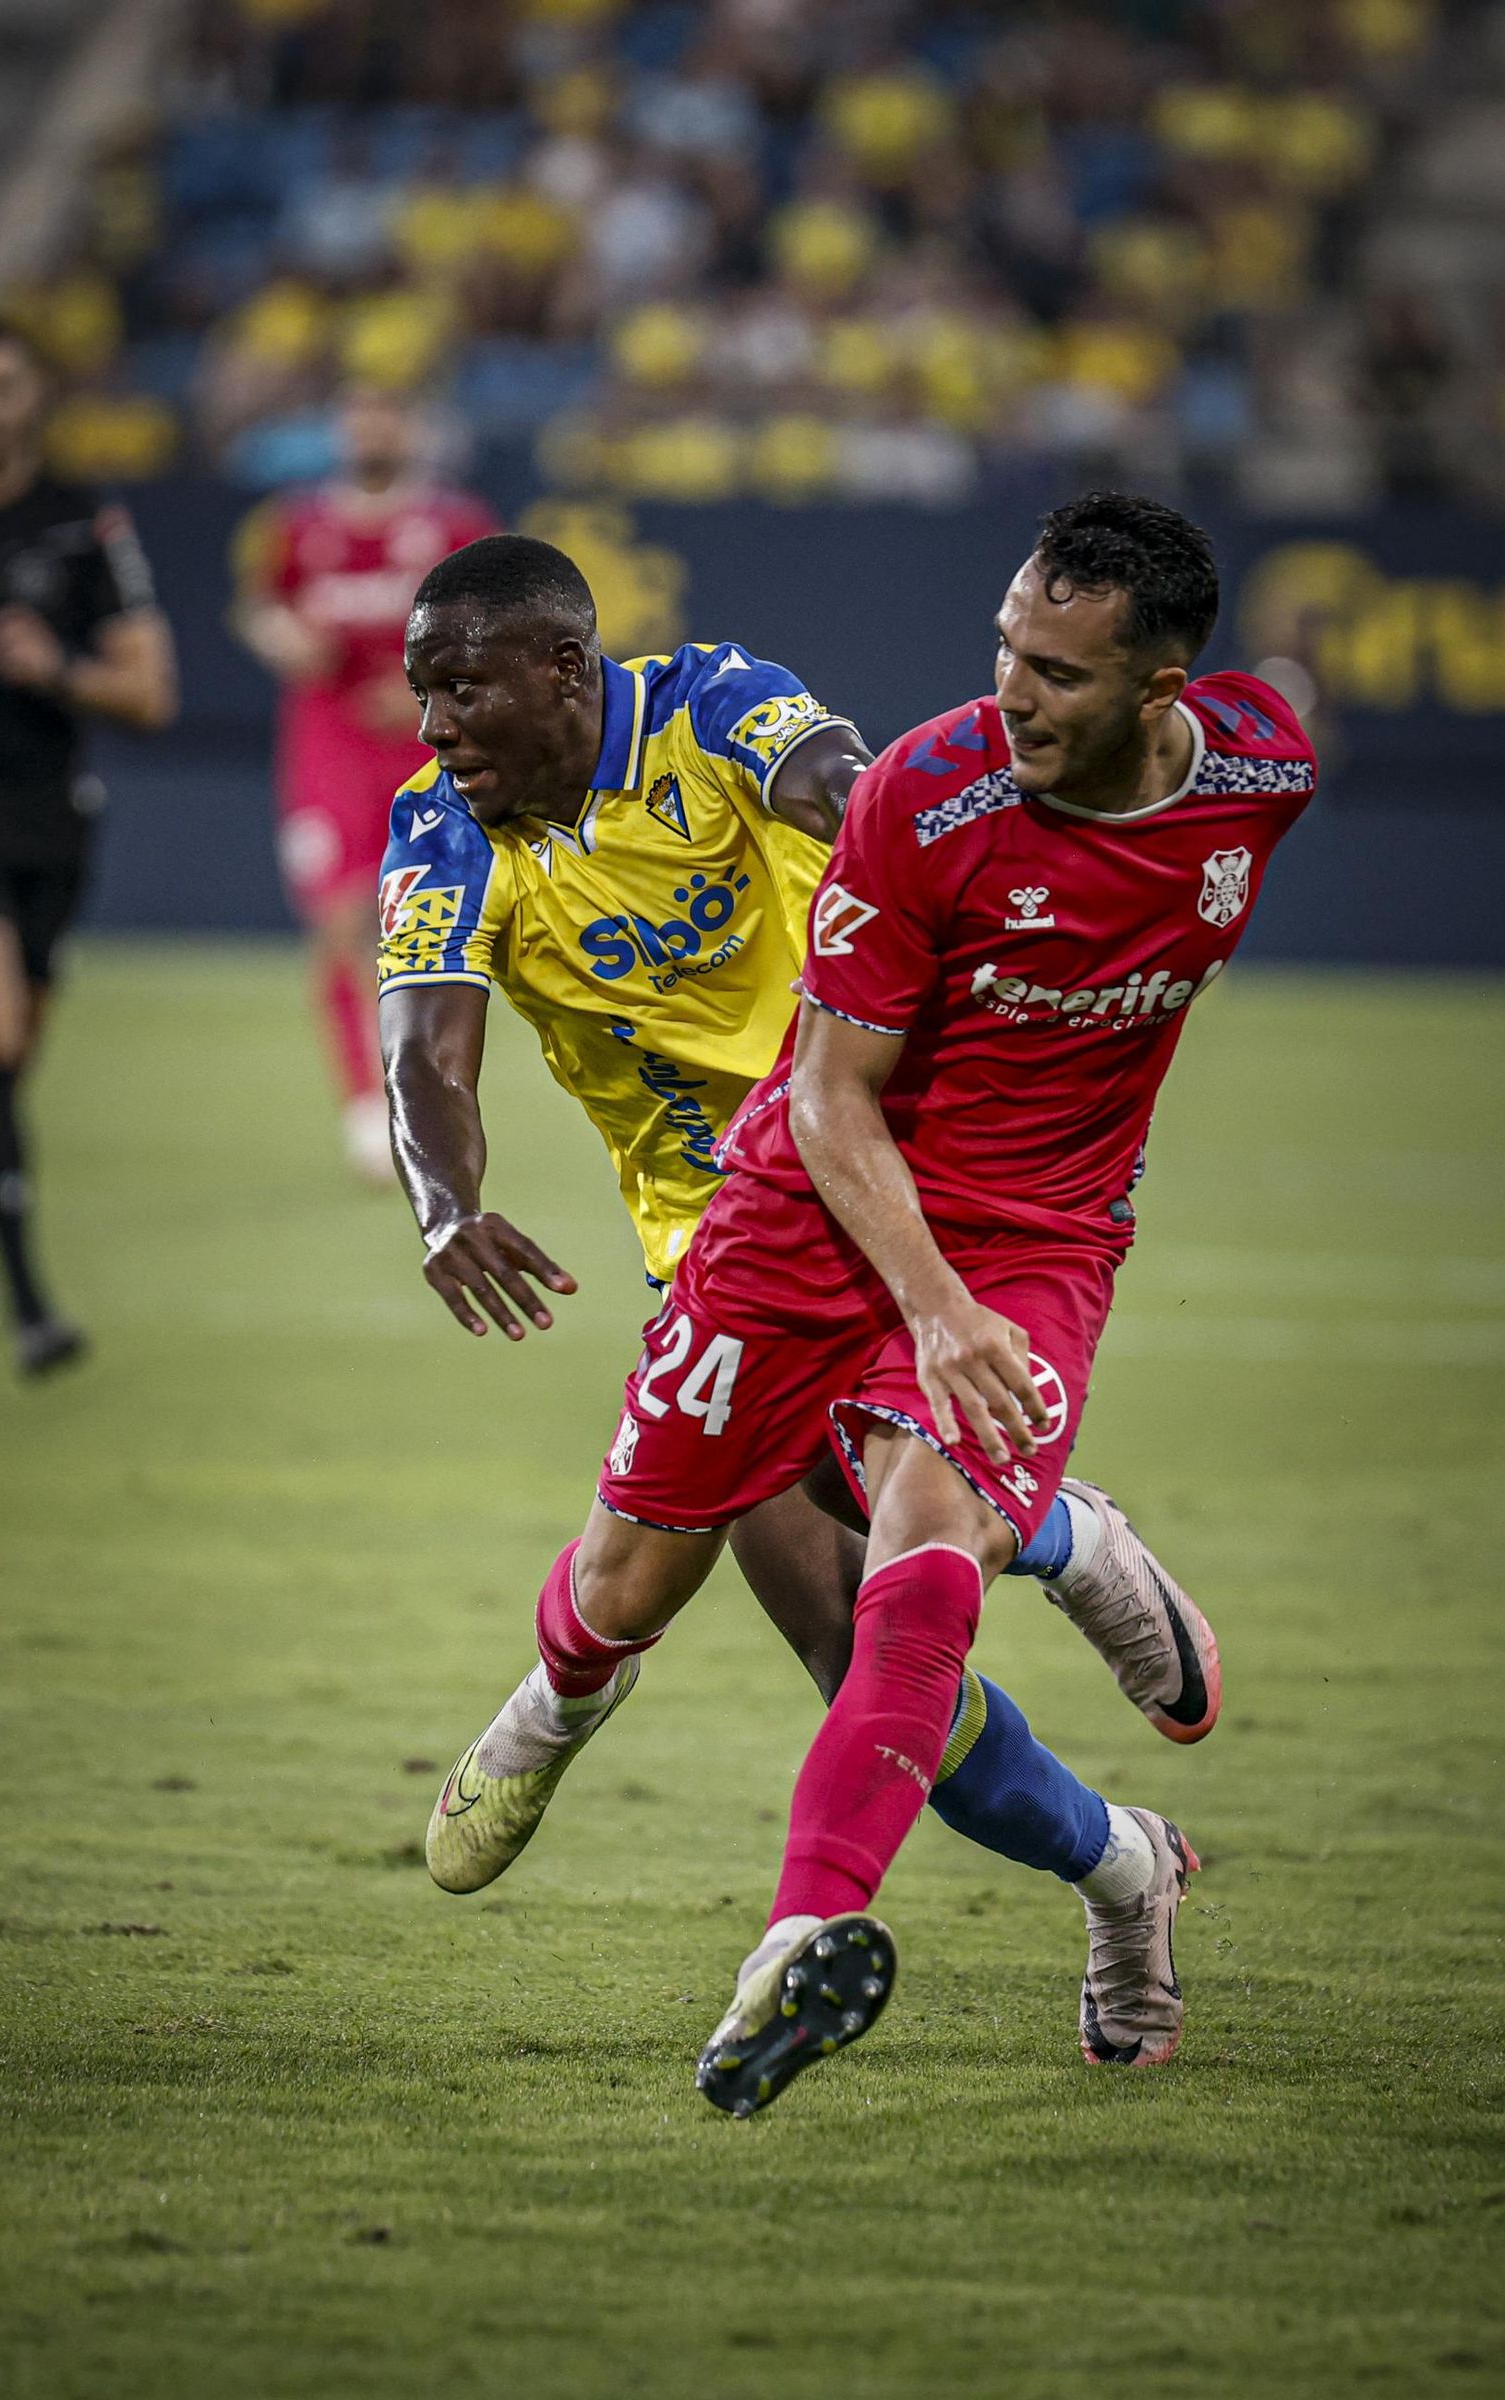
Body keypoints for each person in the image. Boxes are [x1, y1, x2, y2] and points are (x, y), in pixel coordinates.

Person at [413, 497, 1317, 2114]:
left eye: (1055, 671)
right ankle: (1098, 1767)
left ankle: (812, 1927)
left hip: (1028, 1231)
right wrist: (443, 1203)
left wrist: (968, 1311)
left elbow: (836, 772)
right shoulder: (925, 792)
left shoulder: (1250, 775)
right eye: (1002, 657)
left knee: (904, 1591)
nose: (1013, 698)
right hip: (769, 1211)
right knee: (640, 1587)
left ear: (1164, 684)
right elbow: (807, 1096)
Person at [0, 315, 177, 1375]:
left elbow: (151, 691)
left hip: (47, 824)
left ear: (32, 400)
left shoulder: (81, 526)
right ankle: (30, 1311)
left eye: (1, 387)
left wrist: (56, 667)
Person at [232, 385, 497, 1181]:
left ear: (411, 428)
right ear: (339, 426)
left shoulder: (455, 527)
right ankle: (363, 1107)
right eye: (360, 413)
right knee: (341, 921)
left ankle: (425, 1095)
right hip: (328, 746)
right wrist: (277, 635)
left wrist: (432, 688)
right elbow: (257, 606)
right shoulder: (293, 524)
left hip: (426, 749)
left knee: (427, 930)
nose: (373, 427)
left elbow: (496, 630)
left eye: (389, 412)